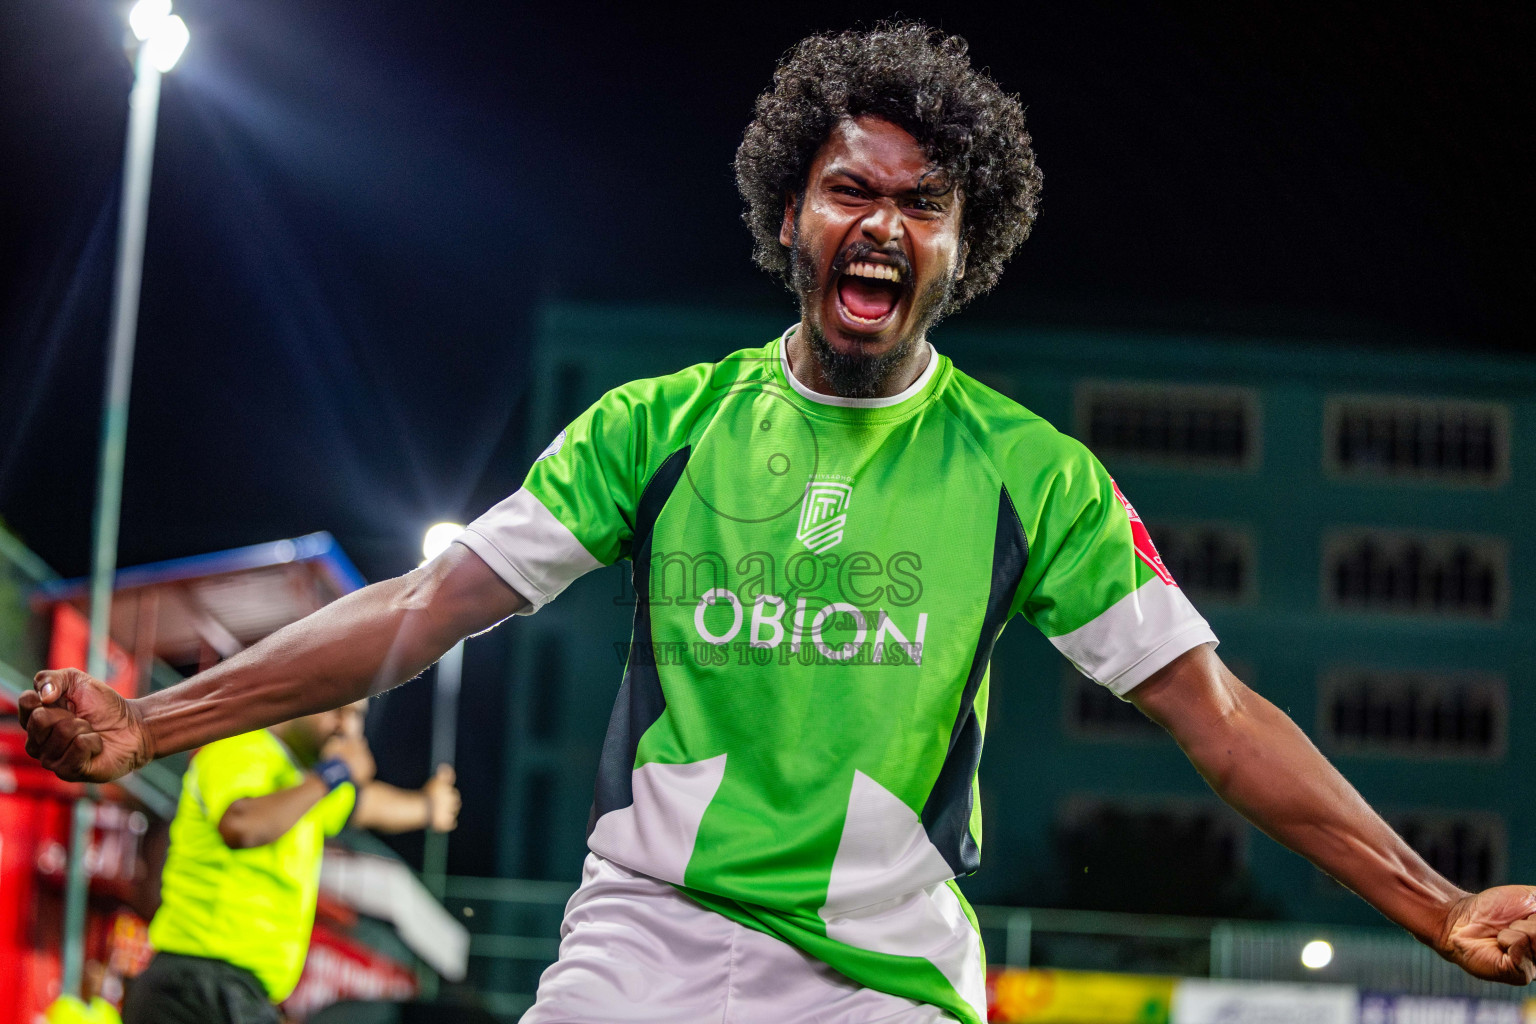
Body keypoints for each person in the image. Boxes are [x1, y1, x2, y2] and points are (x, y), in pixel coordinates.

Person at [19, 21, 1536, 1024]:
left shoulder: (1029, 474)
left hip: (883, 981)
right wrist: (160, 728)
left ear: (962, 245)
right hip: (643, 952)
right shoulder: (658, 428)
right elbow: (425, 611)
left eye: (924, 201)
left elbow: (1217, 716)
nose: (882, 220)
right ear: (791, 213)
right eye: (847, 187)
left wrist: (1438, 902)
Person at [118, 701, 461, 1024]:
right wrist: (334, 772)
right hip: (195, 988)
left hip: (231, 993)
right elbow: (241, 826)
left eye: (357, 716)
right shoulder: (241, 747)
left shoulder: (303, 784)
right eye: (339, 711)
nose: (348, 728)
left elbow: (364, 804)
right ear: (301, 700)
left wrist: (427, 807)